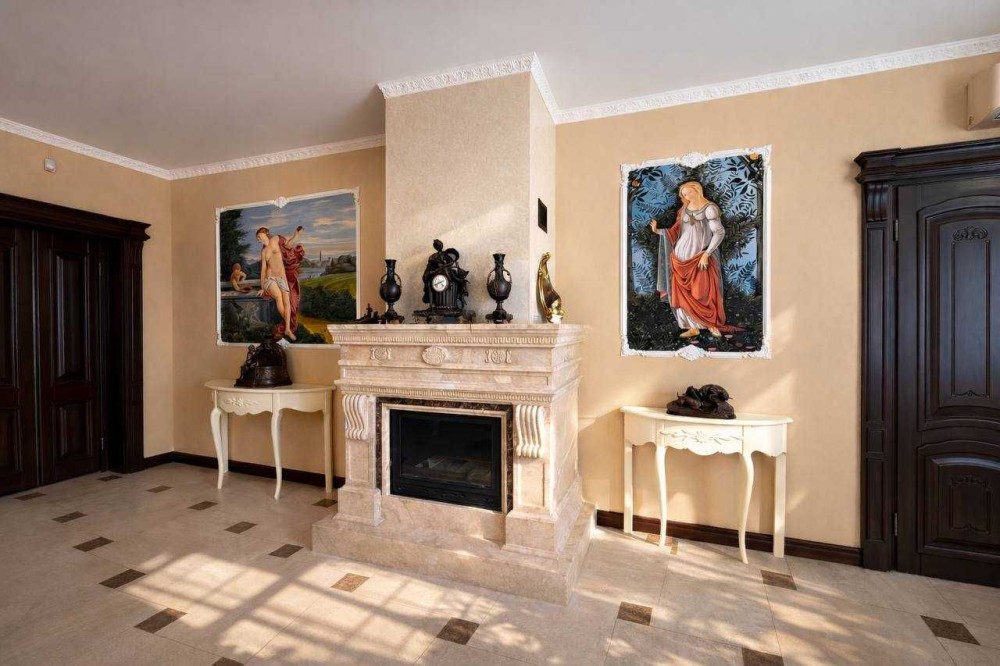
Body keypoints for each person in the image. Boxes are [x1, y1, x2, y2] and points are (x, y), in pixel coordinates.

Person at [650, 181, 742, 339]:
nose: (686, 196)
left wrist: (706, 254)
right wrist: (658, 231)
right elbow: (676, 231)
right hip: (679, 256)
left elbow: (719, 233)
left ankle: (711, 323)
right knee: (682, 293)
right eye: (684, 194)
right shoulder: (684, 209)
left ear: (697, 190)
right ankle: (692, 327)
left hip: (699, 255)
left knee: (703, 292)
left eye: (689, 192)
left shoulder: (710, 208)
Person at [256, 225, 305, 341]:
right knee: (278, 296)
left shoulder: (276, 240)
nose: (259, 239)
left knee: (287, 302)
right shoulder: (263, 251)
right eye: (257, 238)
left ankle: (287, 329)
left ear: (266, 233)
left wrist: (295, 236)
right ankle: (292, 323)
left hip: (282, 278)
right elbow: (263, 270)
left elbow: (288, 244)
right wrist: (262, 287)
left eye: (259, 236)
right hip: (270, 279)